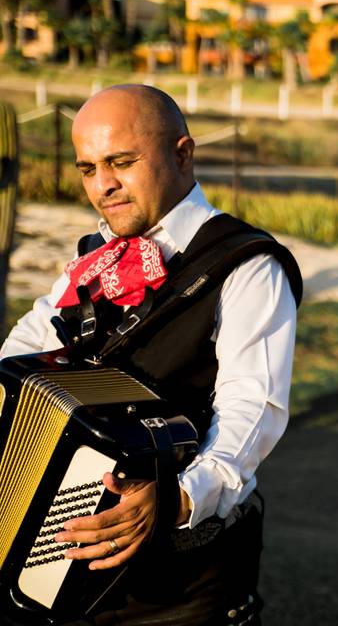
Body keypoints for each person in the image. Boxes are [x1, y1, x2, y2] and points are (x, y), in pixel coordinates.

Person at [0, 85, 300, 625]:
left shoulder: (248, 264)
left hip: (181, 585)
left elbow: (252, 412)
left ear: (182, 154)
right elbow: (21, 353)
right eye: (88, 168)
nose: (103, 185)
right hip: (65, 566)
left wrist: (177, 502)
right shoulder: (93, 259)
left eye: (121, 162)